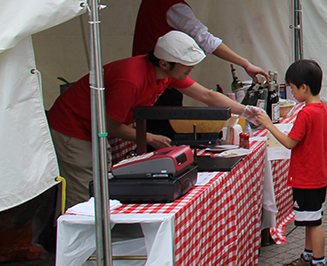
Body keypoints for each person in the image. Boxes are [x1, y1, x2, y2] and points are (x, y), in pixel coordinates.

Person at [46, 31, 260, 208]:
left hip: (94, 127)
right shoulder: (130, 79)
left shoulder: (165, 74)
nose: (190, 69)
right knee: (86, 187)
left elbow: (207, 95)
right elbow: (110, 125)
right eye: (186, 65)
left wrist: (246, 111)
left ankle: (99, 241)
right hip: (72, 126)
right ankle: (74, 248)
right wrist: (150, 138)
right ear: (164, 63)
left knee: (102, 181)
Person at [132, 0, 267, 137]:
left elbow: (207, 95)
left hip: (156, 78)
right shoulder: (172, 4)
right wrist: (244, 63)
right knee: (163, 133)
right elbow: (206, 40)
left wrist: (245, 111)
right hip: (160, 83)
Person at [256, 60, 327, 266]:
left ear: (304, 88)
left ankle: (319, 264)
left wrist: (269, 125)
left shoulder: (306, 113)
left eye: (292, 87)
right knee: (312, 219)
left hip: (306, 177)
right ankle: (309, 256)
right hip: (319, 175)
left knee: (314, 222)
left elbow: (290, 143)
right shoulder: (322, 108)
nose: (291, 92)